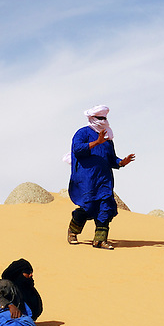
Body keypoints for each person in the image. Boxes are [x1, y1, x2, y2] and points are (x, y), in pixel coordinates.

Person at [66, 105, 135, 249]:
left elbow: (111, 159)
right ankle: (73, 231)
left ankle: (100, 240)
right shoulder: (82, 133)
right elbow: (77, 150)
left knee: (106, 207)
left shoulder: (107, 138)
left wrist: (122, 162)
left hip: (104, 179)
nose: (103, 121)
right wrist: (96, 142)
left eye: (105, 118)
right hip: (87, 179)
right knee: (88, 206)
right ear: (92, 118)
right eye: (100, 118)